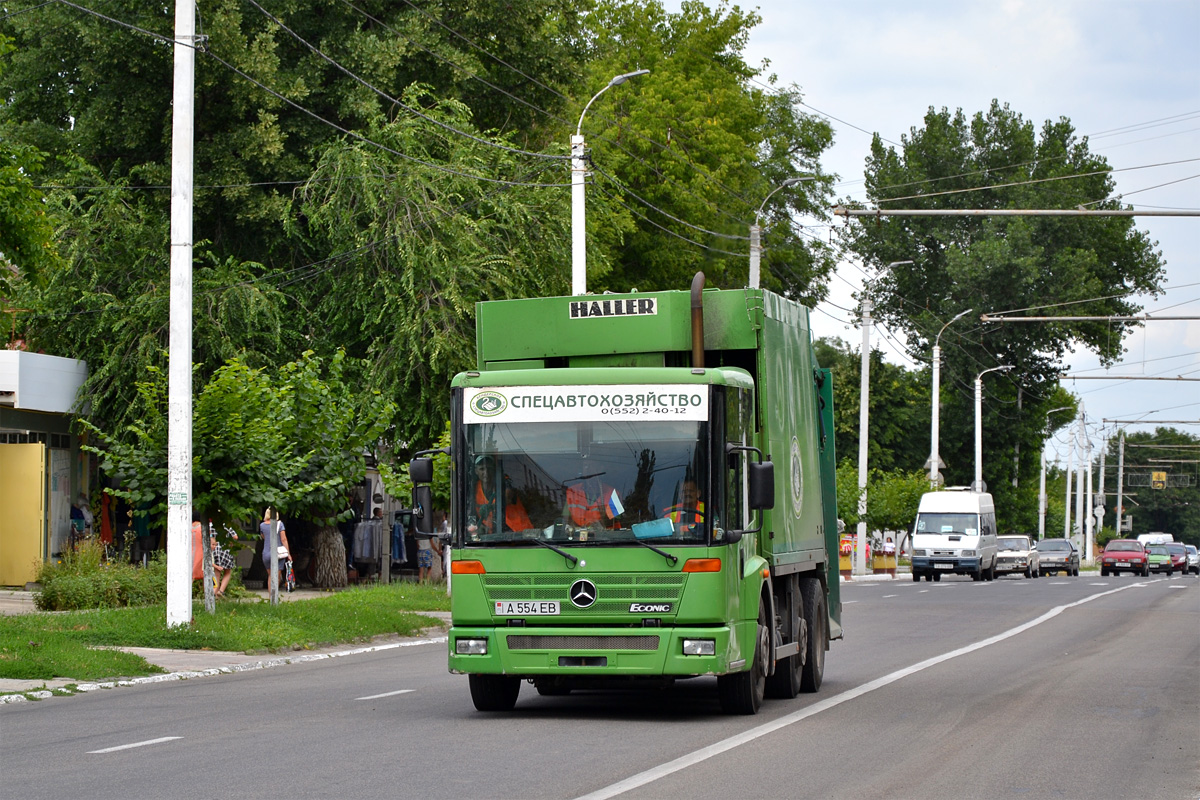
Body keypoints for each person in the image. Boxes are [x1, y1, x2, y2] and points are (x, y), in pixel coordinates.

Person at [467, 455, 532, 536]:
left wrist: (491, 507)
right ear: (476, 471)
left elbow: (507, 498)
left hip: (520, 533)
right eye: (482, 469)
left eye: (489, 468)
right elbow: (471, 512)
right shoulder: (475, 488)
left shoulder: (505, 481)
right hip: (496, 535)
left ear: (494, 470)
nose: (486, 472)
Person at [259, 508, 291, 591]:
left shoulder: (262, 525)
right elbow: (283, 539)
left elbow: (264, 537)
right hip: (278, 554)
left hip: (266, 553)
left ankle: (270, 597)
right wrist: (288, 553)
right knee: (276, 576)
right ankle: (275, 597)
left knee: (270, 576)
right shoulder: (280, 524)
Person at [211, 522, 238, 597]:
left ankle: (214, 593)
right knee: (227, 572)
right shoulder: (227, 525)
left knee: (217, 573)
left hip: (215, 551)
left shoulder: (211, 526)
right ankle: (221, 591)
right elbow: (235, 537)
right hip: (226, 551)